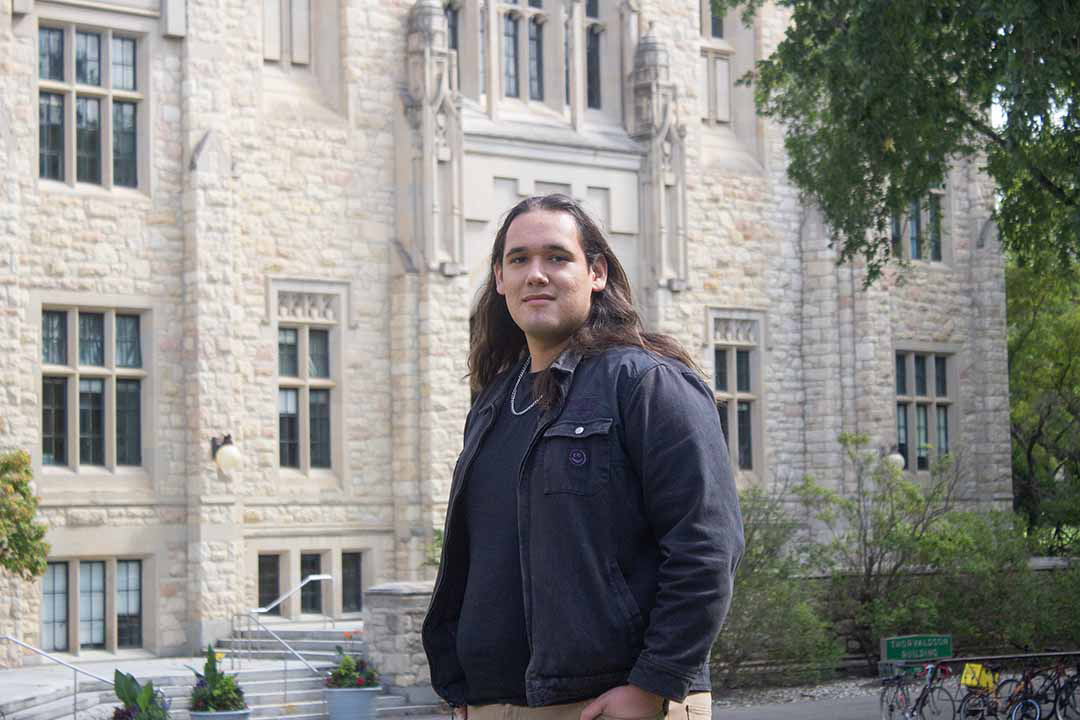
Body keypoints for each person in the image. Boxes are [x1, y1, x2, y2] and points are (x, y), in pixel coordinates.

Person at [422, 194, 744, 720]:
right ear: (500, 279)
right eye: (519, 259)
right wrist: (464, 688)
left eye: (557, 257)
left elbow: (707, 547)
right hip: (494, 703)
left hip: (612, 703)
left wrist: (653, 684)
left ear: (596, 272)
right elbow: (478, 560)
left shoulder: (646, 383)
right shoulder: (494, 402)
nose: (536, 275)